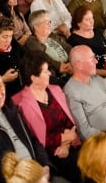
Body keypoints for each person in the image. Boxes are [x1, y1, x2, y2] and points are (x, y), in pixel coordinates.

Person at [11, 51, 81, 182]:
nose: (50, 73)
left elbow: (69, 121)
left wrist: (66, 143)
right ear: (34, 78)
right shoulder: (22, 104)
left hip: (70, 144)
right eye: (46, 71)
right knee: (81, 167)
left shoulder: (55, 90)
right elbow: (37, 139)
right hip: (52, 154)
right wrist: (63, 139)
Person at [63, 46, 106, 139]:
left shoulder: (98, 79)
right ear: (79, 65)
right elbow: (84, 131)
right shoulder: (71, 91)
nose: (96, 61)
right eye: (91, 59)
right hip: (101, 142)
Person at [24, 10, 73, 84]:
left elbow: (68, 48)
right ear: (36, 26)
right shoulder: (32, 41)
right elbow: (42, 56)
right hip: (57, 75)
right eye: (47, 22)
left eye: (50, 22)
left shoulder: (53, 36)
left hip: (71, 66)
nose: (50, 24)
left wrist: (74, 61)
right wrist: (59, 66)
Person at [67, 6, 106, 76]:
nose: (91, 21)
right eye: (87, 19)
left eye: (92, 18)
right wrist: (105, 73)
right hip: (95, 74)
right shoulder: (74, 40)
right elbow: (82, 67)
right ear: (79, 23)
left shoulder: (97, 31)